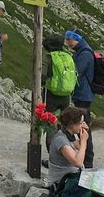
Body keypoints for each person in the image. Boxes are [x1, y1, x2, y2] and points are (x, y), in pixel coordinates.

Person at [64, 30, 95, 168]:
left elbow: (77, 72)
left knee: (83, 126)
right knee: (82, 125)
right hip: (82, 93)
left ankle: (87, 159)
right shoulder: (82, 51)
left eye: (69, 40)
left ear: (77, 39)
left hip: (83, 94)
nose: (67, 42)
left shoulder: (85, 54)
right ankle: (82, 155)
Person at [47, 107, 88, 186]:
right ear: (72, 124)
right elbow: (78, 162)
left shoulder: (69, 135)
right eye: (81, 123)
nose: (82, 125)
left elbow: (80, 149)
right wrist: (83, 141)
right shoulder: (60, 140)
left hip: (70, 177)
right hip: (61, 182)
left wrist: (84, 134)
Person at [41, 33, 72, 114]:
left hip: (50, 94)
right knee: (64, 120)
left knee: (48, 118)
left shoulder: (47, 57)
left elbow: (42, 76)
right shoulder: (67, 57)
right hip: (66, 95)